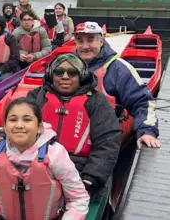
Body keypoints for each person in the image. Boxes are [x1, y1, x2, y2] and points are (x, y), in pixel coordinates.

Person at [0, 97, 90, 220]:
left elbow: (78, 198)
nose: (19, 125)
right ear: (4, 126)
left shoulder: (55, 154)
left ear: (39, 127)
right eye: (13, 120)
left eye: (27, 120)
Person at [27, 53, 122, 196]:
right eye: (59, 72)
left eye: (72, 73)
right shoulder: (35, 97)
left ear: (82, 76)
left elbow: (108, 142)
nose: (65, 77)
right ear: (51, 75)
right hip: (35, 167)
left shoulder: (96, 102)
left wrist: (89, 178)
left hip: (79, 173)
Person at [73, 21, 161, 149]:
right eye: (80, 41)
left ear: (101, 41)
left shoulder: (120, 69)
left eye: (90, 40)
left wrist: (146, 131)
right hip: (71, 131)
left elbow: (142, 102)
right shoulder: (67, 65)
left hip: (103, 139)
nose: (85, 46)